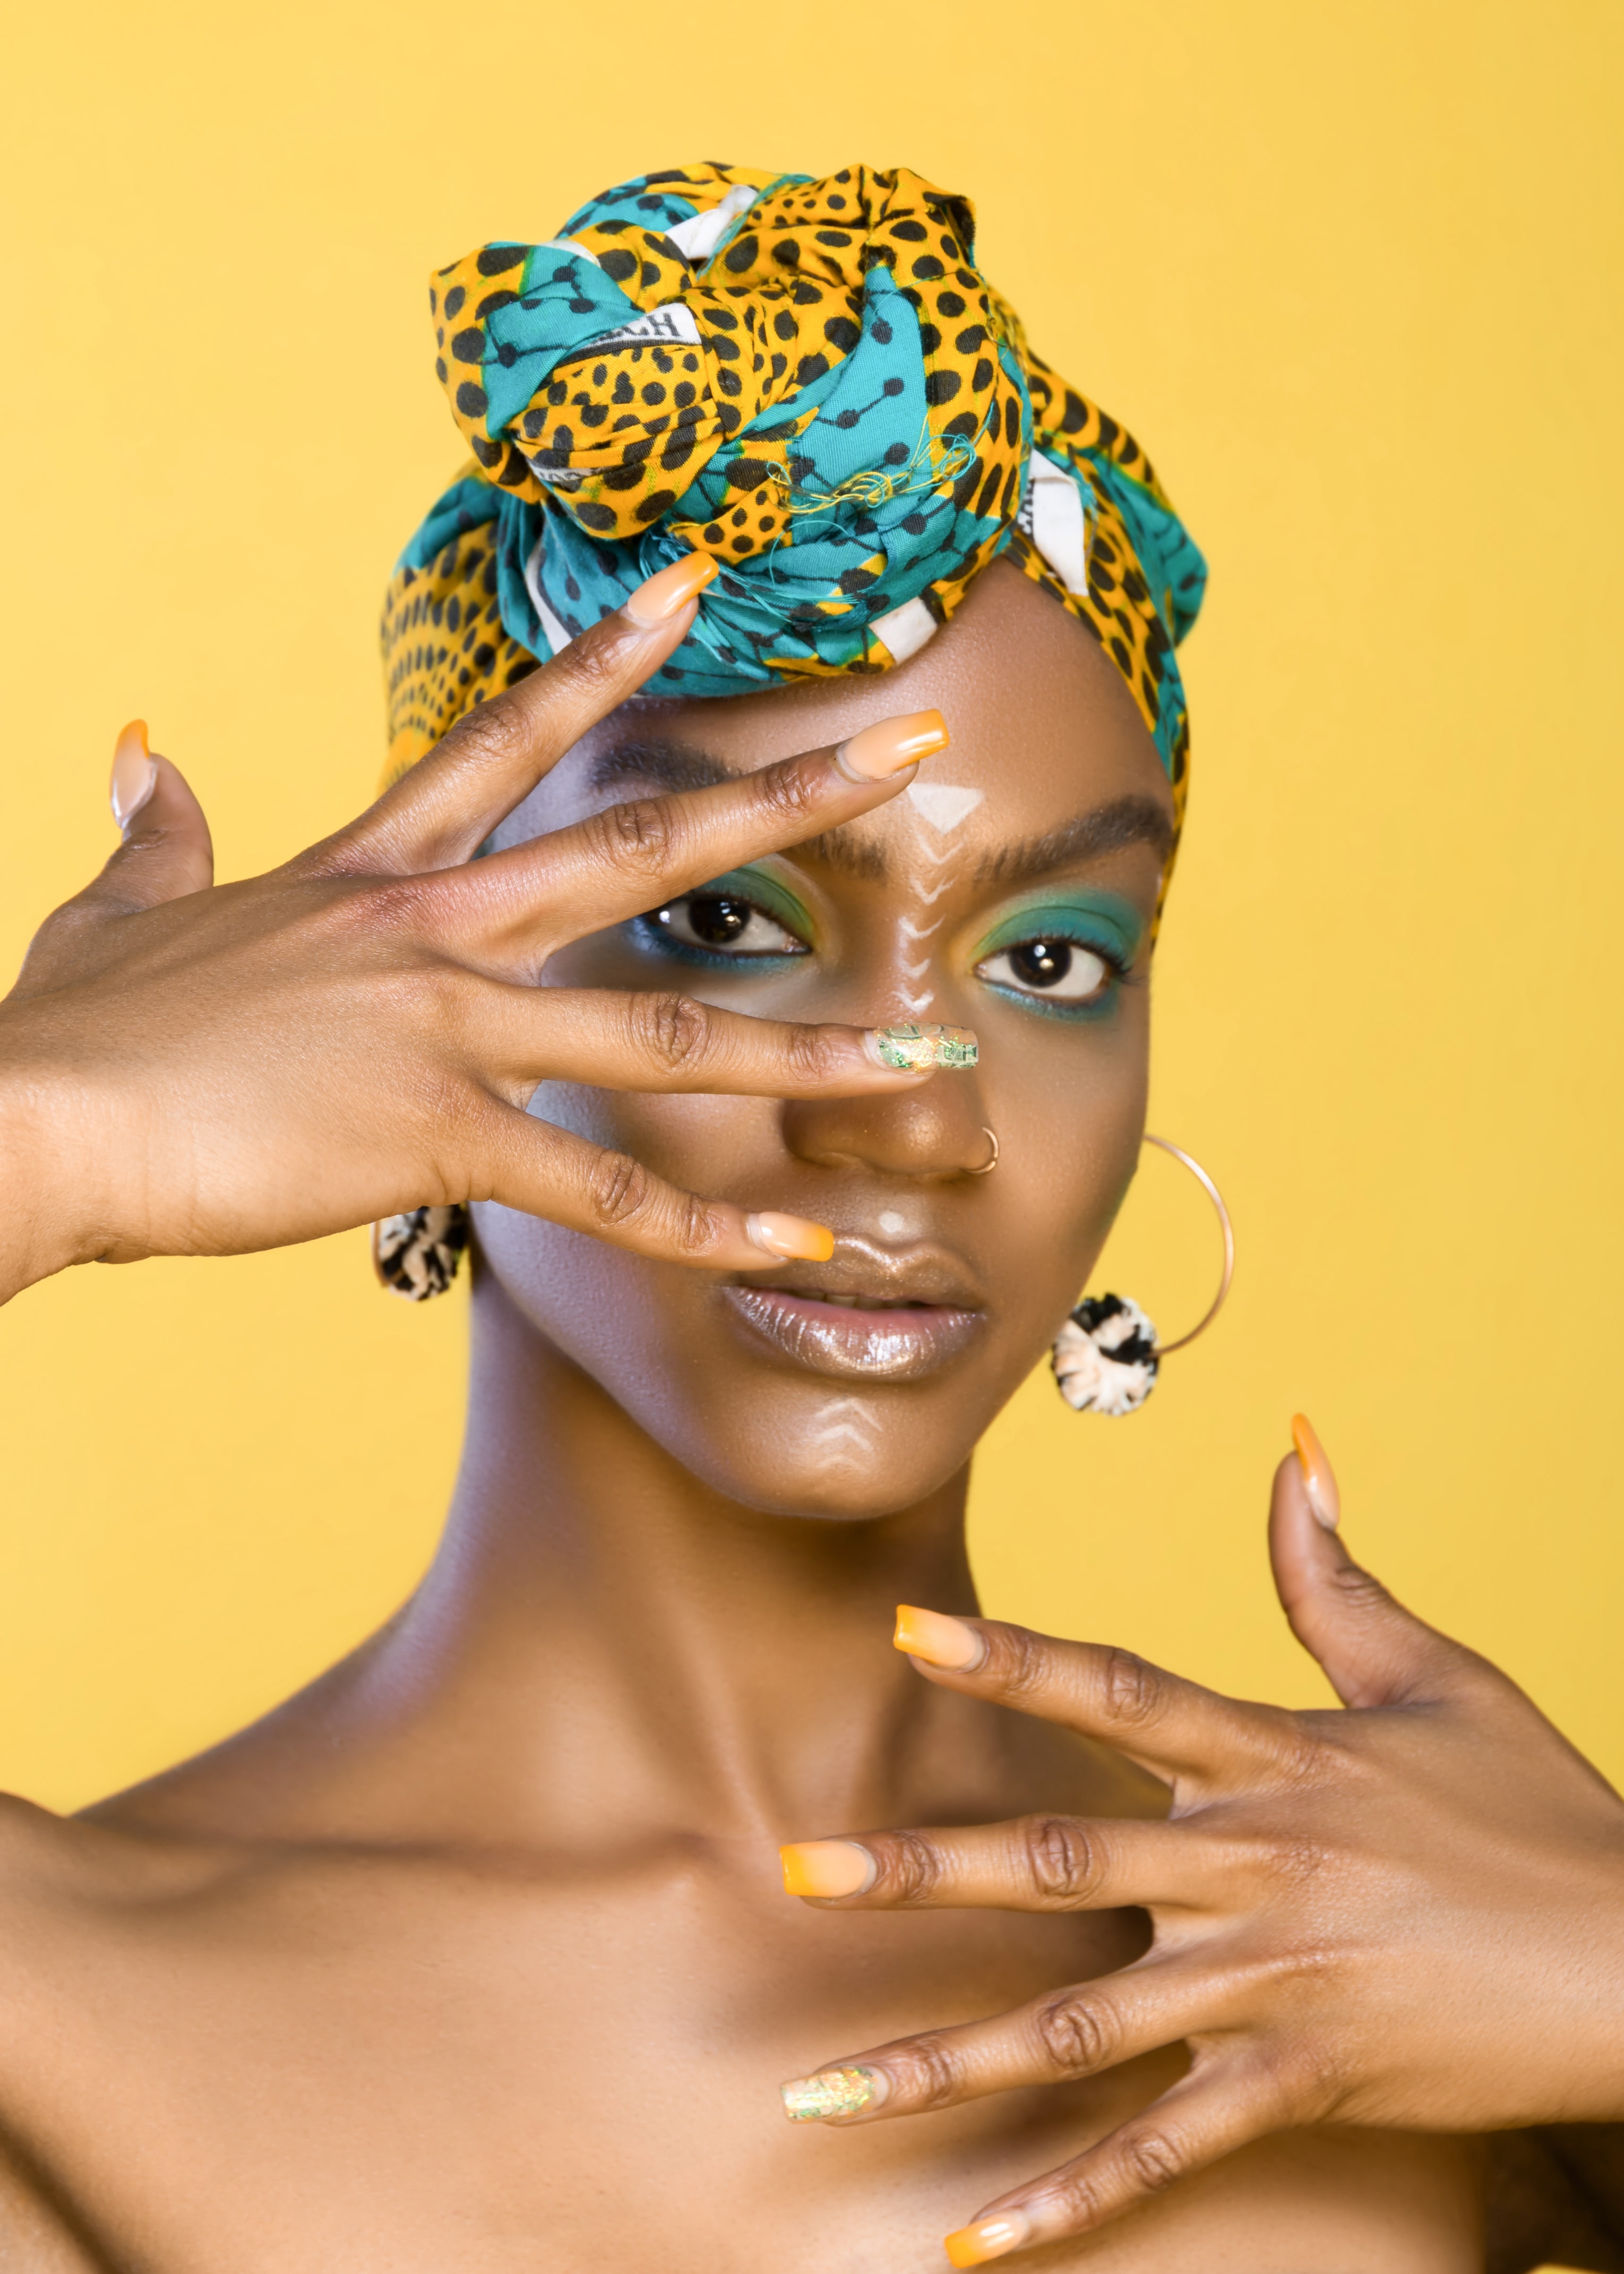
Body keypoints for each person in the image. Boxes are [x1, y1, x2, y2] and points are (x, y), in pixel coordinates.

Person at [0, 160, 1620, 2271]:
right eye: (723, 918)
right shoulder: (65, 2014)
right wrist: (43, 1132)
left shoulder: (1413, 1990)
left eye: (1052, 959)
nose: (917, 1117)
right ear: (407, 985)